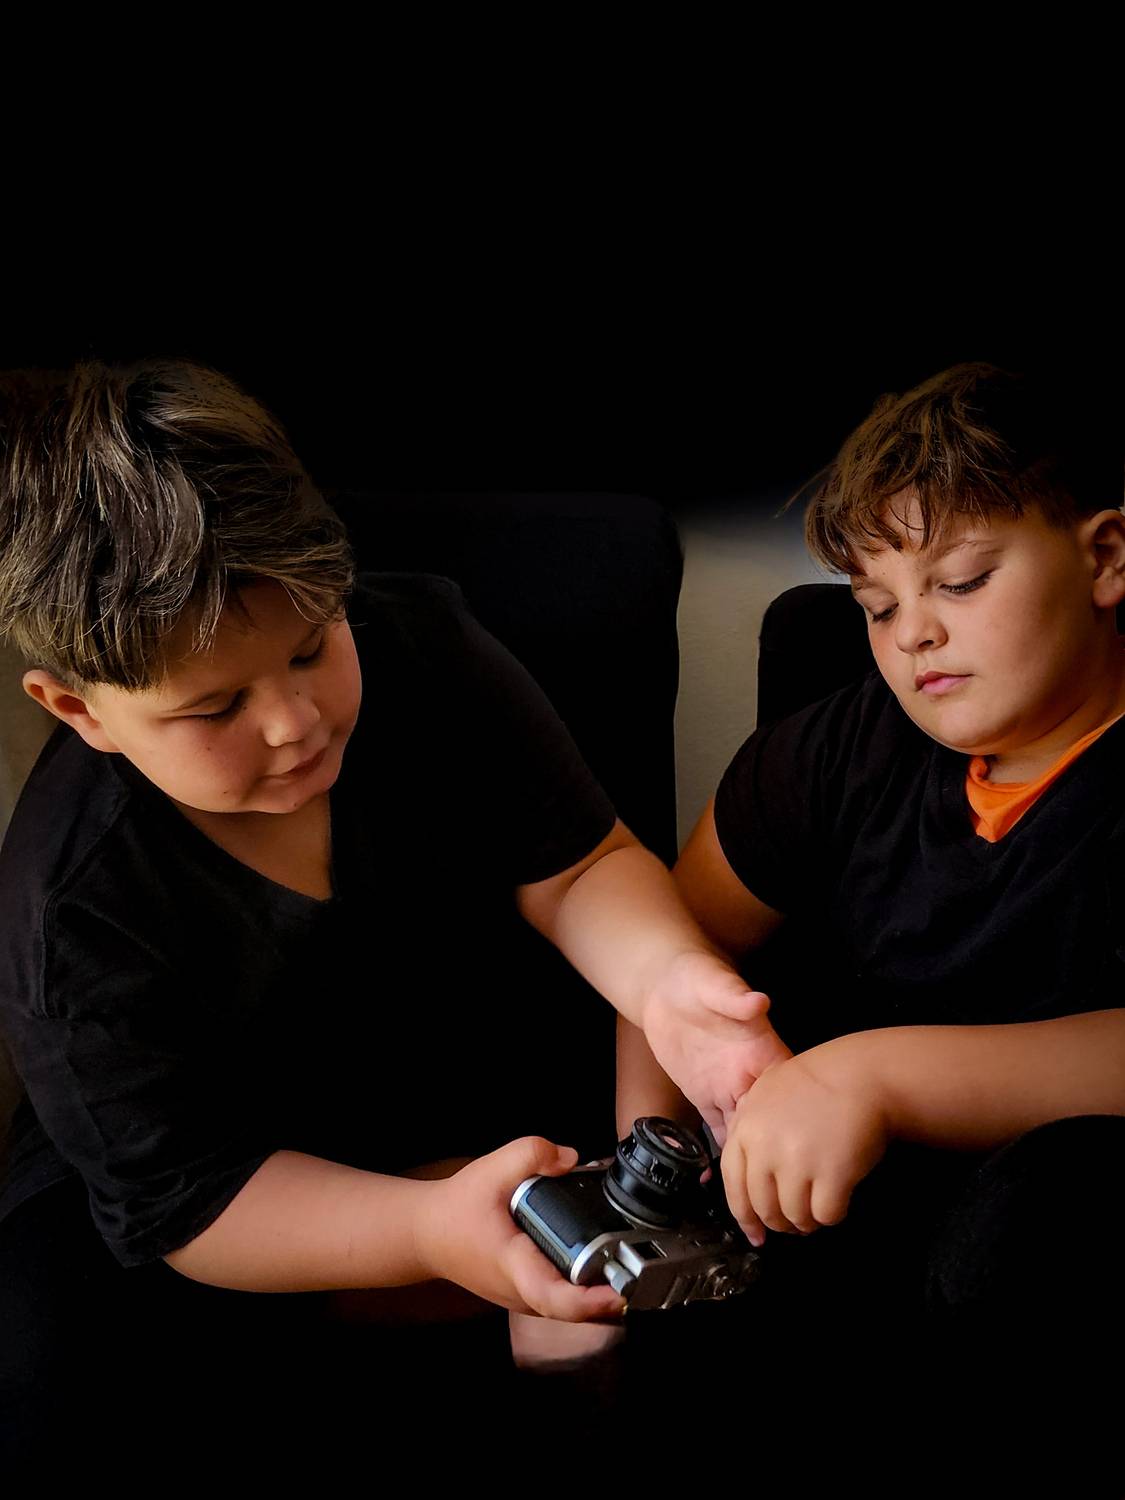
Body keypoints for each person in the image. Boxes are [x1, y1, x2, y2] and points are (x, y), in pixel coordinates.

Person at [0, 359, 784, 1463]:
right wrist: (423, 1228)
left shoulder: (420, 648)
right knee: (58, 1345)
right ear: (79, 710)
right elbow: (192, 1202)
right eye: (217, 708)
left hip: (473, 1066)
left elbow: (577, 866)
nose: (294, 721)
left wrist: (669, 987)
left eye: (312, 647)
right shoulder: (71, 911)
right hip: (248, 1177)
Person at [665, 363, 1125, 1489]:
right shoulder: (838, 749)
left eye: (960, 582)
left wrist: (876, 1077)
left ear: (1106, 557)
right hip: (838, 1218)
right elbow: (674, 952)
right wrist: (660, 1164)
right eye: (877, 607)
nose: (914, 635)